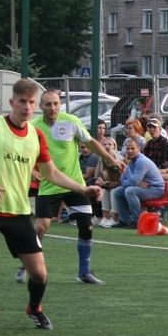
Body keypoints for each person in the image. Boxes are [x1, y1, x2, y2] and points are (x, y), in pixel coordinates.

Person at [0, 78, 102, 333]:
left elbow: (51, 173)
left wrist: (83, 189)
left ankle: (34, 308)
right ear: (12, 102)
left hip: (17, 211)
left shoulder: (36, 135)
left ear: (35, 106)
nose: (26, 106)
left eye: (30, 102)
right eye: (22, 101)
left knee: (39, 274)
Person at [28, 88, 114, 285]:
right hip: (49, 185)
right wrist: (32, 171)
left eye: (55, 104)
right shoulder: (33, 127)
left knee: (87, 226)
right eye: (48, 104)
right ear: (41, 106)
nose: (52, 108)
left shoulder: (71, 122)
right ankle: (28, 262)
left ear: (60, 105)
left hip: (75, 185)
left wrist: (111, 159)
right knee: (41, 227)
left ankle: (84, 272)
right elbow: (25, 152)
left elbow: (91, 142)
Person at [114, 138, 165, 228]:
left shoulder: (142, 161)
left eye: (133, 148)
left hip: (155, 189)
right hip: (143, 187)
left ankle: (138, 221)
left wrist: (127, 168)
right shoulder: (130, 160)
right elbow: (123, 181)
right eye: (128, 149)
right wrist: (137, 183)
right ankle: (125, 220)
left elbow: (133, 182)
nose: (130, 151)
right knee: (117, 191)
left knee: (130, 191)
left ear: (139, 149)